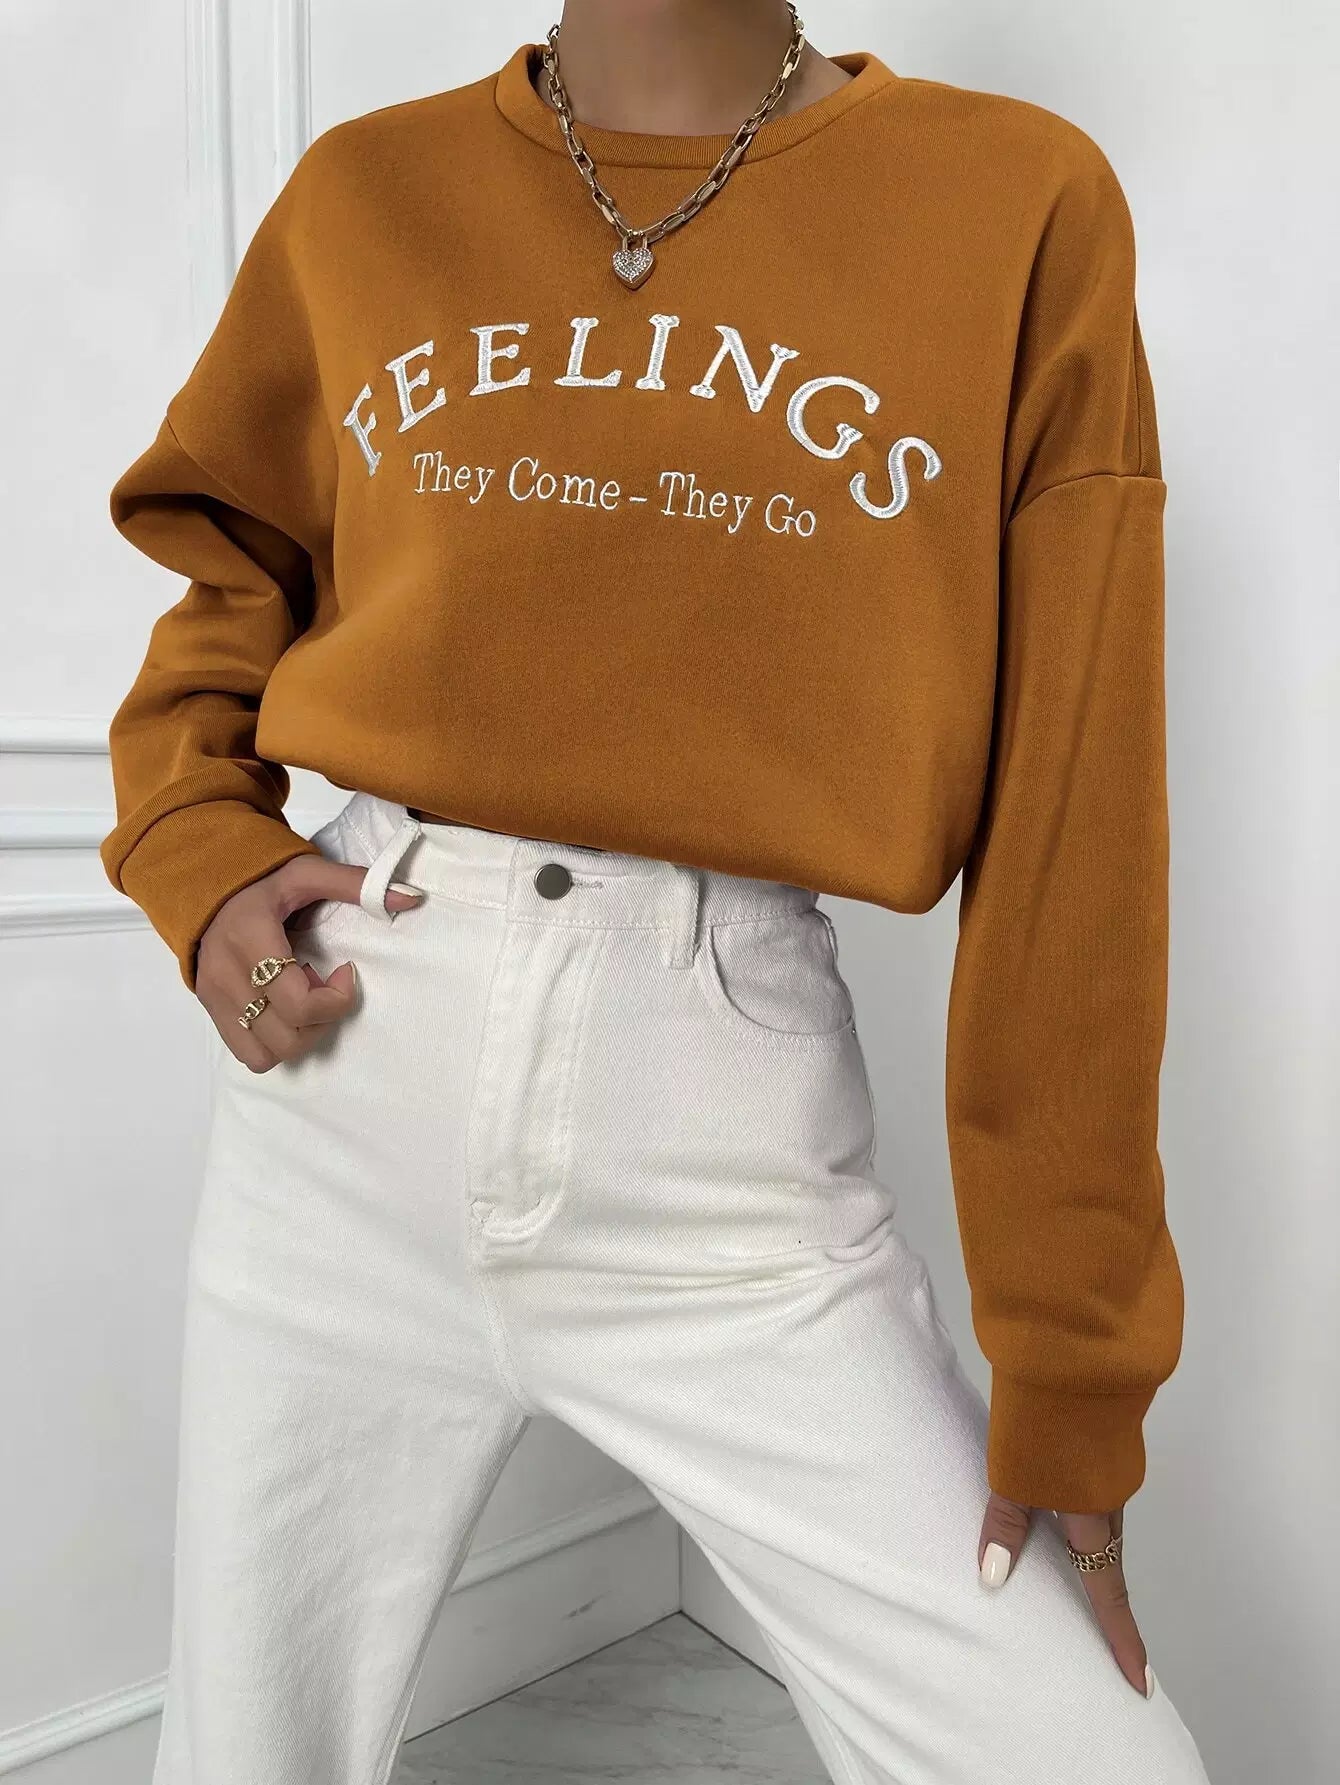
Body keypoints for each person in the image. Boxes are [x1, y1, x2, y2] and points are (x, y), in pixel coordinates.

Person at [101, 2, 1211, 1781]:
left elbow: (1076, 808)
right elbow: (225, 576)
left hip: (723, 1117)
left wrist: (1069, 1359)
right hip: (349, 1065)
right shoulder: (364, 192)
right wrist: (194, 841)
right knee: (247, 1750)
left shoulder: (1014, 201)